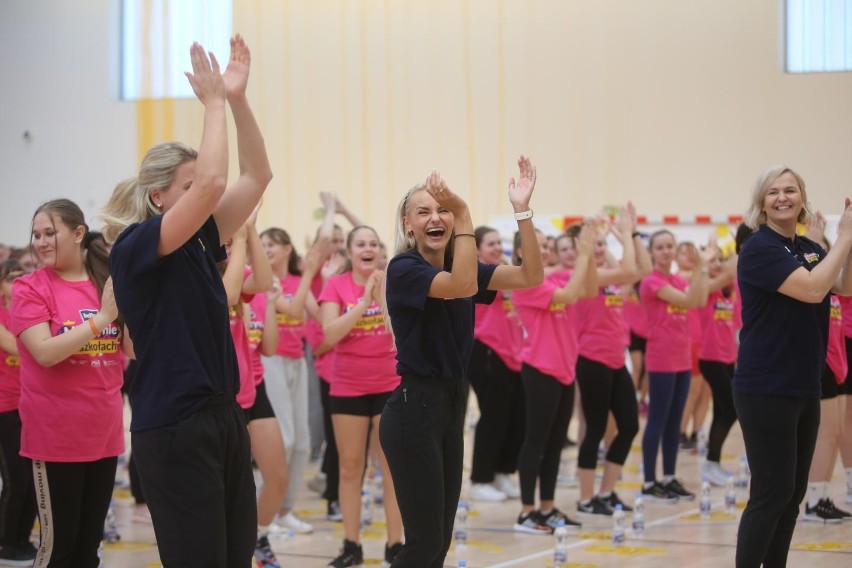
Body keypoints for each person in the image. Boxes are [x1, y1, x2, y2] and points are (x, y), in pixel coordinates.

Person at [102, 36, 273, 567]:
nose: (208, 192)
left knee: (235, 558)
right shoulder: (134, 246)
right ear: (159, 197)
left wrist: (238, 100)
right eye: (190, 185)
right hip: (174, 427)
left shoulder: (202, 239)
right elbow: (217, 180)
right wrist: (214, 103)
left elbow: (256, 176)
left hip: (223, 417)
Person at [380, 156, 544, 567]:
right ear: (407, 224)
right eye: (424, 212)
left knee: (439, 544)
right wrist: (465, 211)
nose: (436, 218)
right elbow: (462, 286)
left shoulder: (461, 265)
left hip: (451, 405)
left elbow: (531, 277)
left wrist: (521, 211)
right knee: (422, 543)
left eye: (443, 210)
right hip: (413, 410)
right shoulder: (404, 269)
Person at [733, 166, 852, 567]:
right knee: (771, 493)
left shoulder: (808, 248)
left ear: (802, 198)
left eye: (790, 190)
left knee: (791, 495)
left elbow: (843, 287)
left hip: (804, 384)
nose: (782, 197)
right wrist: (845, 238)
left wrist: (844, 244)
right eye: (773, 192)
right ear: (761, 203)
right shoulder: (759, 248)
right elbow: (814, 288)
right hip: (765, 386)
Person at [12, 200, 123, 567]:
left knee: (88, 550)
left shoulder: (104, 283)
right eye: (37, 235)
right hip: (56, 435)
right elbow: (44, 352)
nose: (41, 242)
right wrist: (102, 318)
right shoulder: (29, 288)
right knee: (59, 552)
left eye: (50, 232)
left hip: (104, 432)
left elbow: (132, 349)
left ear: (78, 234)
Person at [319, 225, 403, 567]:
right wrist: (364, 301)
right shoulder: (336, 285)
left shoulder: (394, 283)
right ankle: (351, 545)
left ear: (380, 251)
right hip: (348, 387)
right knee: (351, 467)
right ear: (350, 252)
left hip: (389, 385)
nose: (367, 249)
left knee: (392, 468)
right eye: (360, 244)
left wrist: (381, 296)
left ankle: (396, 544)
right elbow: (330, 334)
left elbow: (401, 330)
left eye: (373, 244)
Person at [511, 223, 595, 533]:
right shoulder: (527, 282)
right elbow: (571, 294)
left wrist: (589, 257)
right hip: (540, 370)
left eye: (547, 246)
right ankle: (526, 511)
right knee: (536, 441)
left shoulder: (551, 276)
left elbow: (587, 290)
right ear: (522, 251)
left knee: (556, 442)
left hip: (564, 369)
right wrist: (584, 255)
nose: (545, 251)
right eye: (540, 246)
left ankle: (546, 508)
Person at [574, 204, 650, 516]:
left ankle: (606, 492)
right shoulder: (587, 276)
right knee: (594, 429)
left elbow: (640, 269)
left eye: (603, 243)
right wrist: (603, 243)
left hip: (616, 361)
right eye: (595, 243)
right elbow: (628, 269)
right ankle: (586, 498)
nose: (600, 248)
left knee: (630, 425)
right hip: (592, 360)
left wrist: (630, 232)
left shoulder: (615, 279)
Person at [640, 230, 712, 502]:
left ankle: (668, 478)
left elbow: (701, 299)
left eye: (669, 246)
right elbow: (690, 301)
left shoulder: (677, 280)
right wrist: (700, 268)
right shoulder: (651, 282)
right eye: (660, 247)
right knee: (658, 420)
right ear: (652, 252)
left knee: (674, 422)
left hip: (682, 358)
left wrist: (701, 269)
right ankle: (649, 482)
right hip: (661, 359)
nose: (666, 251)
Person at [467, 225, 525, 503]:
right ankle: (480, 478)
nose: (497, 247)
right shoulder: (476, 273)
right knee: (493, 414)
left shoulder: (503, 269)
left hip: (512, 352)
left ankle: (503, 470)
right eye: (490, 243)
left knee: (515, 415)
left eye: (498, 242)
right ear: (476, 249)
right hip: (486, 349)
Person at [0, 259, 38, 565]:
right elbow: (18, 347)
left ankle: (23, 539)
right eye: (10, 278)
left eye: (21, 277)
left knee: (32, 479)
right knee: (16, 479)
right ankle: (7, 542)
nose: (16, 283)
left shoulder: (29, 309)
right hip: (4, 407)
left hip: (31, 406)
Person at [695, 248, 739, 486]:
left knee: (722, 410)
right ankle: (710, 462)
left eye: (719, 260)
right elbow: (728, 271)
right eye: (712, 261)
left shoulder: (729, 291)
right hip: (710, 358)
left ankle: (713, 464)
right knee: (732, 409)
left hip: (728, 358)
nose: (717, 265)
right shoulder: (706, 288)